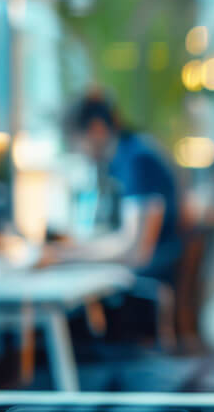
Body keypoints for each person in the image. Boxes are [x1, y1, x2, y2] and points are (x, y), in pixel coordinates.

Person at [44, 92, 182, 285]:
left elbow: (137, 250)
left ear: (96, 129)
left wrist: (68, 258)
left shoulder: (137, 161)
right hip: (146, 275)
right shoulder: (125, 157)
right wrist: (73, 251)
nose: (78, 152)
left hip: (149, 284)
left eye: (76, 142)